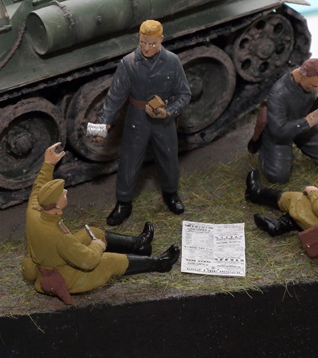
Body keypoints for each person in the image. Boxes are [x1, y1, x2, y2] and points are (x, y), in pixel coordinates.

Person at [21, 143, 180, 303]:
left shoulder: (34, 212)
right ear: (56, 206)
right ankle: (159, 263)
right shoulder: (60, 238)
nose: (66, 192)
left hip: (50, 258)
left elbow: (38, 189)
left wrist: (48, 164)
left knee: (93, 233)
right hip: (66, 276)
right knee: (109, 261)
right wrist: (97, 246)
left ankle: (139, 245)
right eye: (62, 194)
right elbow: (88, 261)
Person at [91, 19, 191, 226]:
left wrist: (169, 111)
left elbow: (184, 93)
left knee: (169, 158)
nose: (146, 48)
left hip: (163, 120)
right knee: (129, 160)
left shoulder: (172, 62)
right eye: (143, 42)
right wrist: (102, 125)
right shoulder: (128, 63)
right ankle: (123, 202)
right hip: (137, 118)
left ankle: (171, 193)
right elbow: (114, 97)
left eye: (152, 43)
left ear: (161, 40)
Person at [252, 58, 318, 184]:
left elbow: (316, 102)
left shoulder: (311, 86)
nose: (315, 89)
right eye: (313, 85)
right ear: (303, 75)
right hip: (282, 133)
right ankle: (265, 148)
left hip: (304, 126)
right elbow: (278, 129)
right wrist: (307, 122)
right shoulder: (279, 92)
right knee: (278, 176)